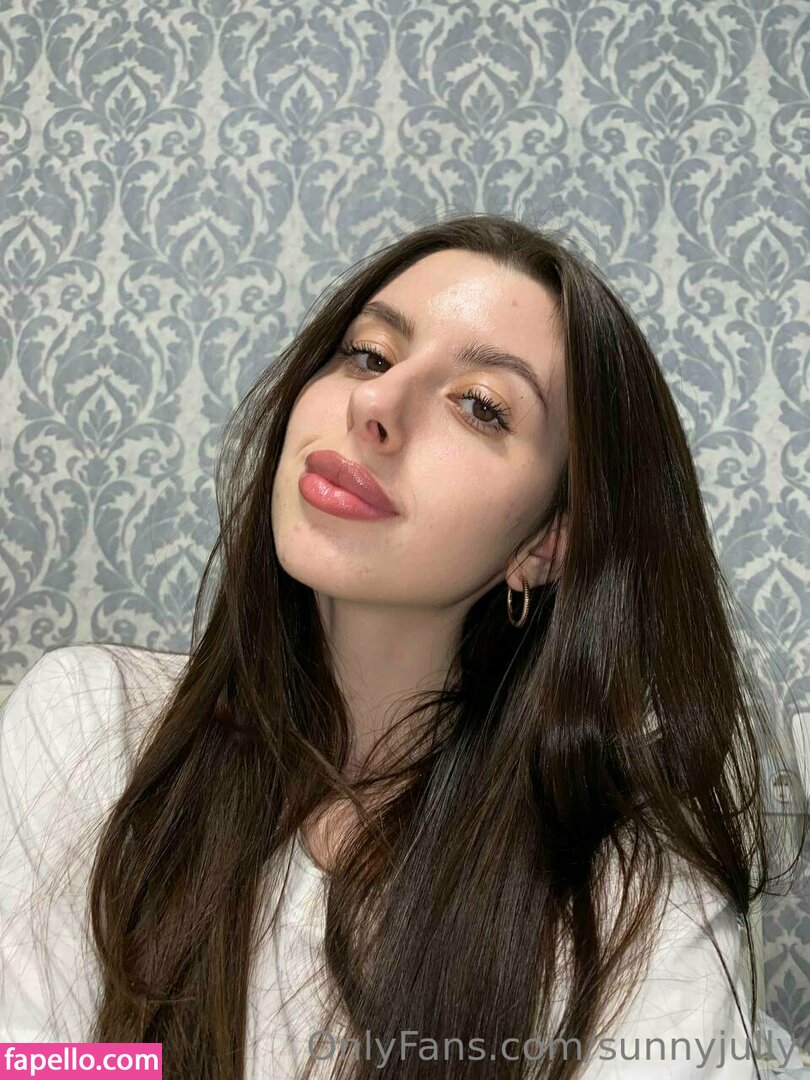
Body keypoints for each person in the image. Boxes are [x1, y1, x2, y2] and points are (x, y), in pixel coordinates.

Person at [1, 213, 806, 1079]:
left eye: (481, 406)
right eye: (369, 354)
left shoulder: (633, 912)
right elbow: (39, 1063)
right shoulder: (93, 727)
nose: (375, 404)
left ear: (547, 542)